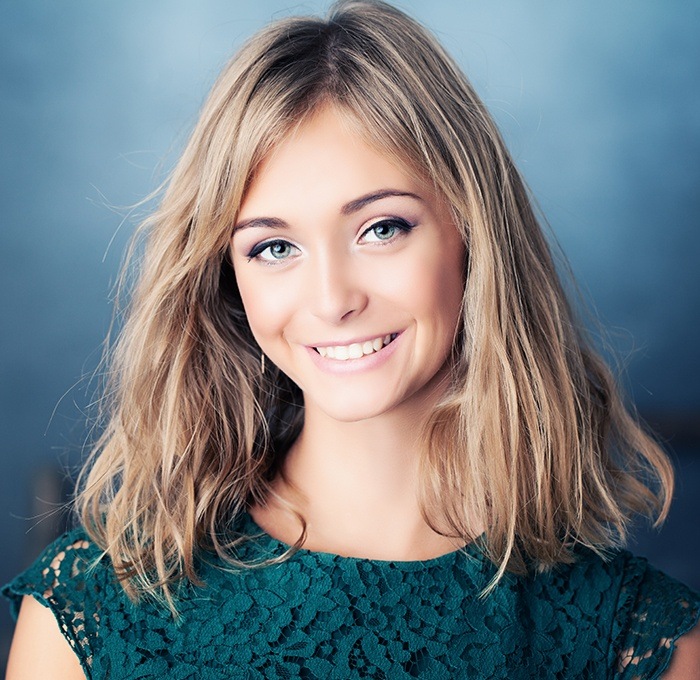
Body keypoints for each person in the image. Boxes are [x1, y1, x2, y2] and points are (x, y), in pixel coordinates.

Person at [4, 1, 699, 677]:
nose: (334, 300)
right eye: (274, 247)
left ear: (471, 233)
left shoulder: (635, 639)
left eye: (382, 229)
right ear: (228, 281)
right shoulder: (96, 607)